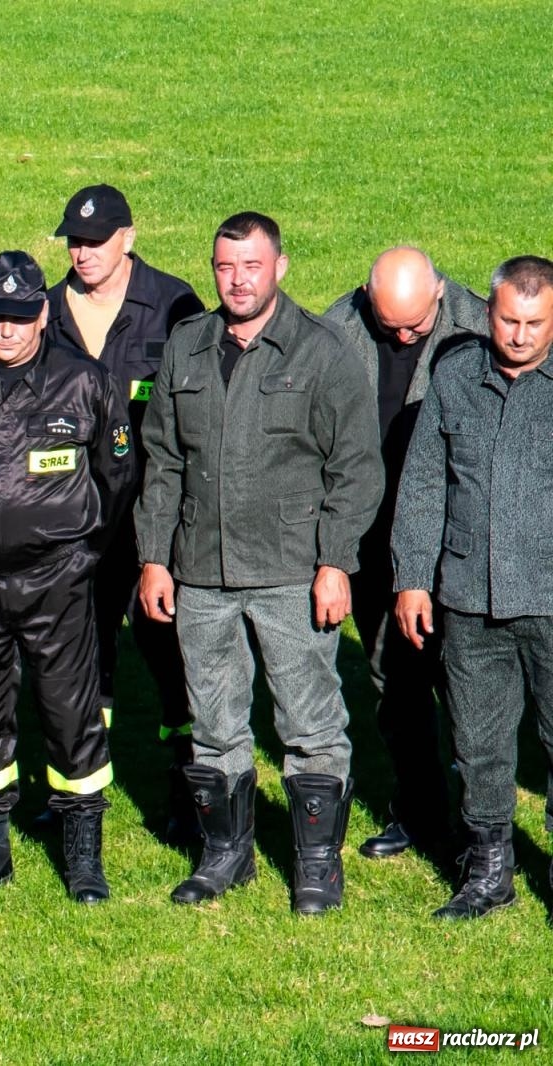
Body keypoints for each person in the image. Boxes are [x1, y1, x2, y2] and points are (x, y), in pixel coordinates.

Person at [136, 212, 382, 914]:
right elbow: (163, 462)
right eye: (224, 267)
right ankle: (225, 856)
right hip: (201, 572)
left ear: (280, 267)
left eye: (251, 266)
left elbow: (357, 468)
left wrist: (336, 561)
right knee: (213, 722)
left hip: (291, 572)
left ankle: (314, 867)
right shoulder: (186, 347)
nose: (237, 280)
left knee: (308, 725)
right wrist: (155, 558)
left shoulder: (323, 352)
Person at [0, 251, 138, 900]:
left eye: (17, 317)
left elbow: (117, 480)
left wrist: (77, 551)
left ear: (42, 313)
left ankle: (83, 855)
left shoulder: (84, 384)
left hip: (59, 578)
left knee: (71, 712)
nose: (5, 331)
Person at [391, 255, 553, 920]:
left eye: (534, 323)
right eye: (508, 320)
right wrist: (411, 580)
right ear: (487, 312)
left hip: (547, 599)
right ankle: (488, 871)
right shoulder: (454, 375)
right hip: (467, 598)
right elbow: (425, 483)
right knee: (479, 744)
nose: (518, 335)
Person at [46, 184, 206, 842]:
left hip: (152, 520)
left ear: (128, 239)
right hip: (69, 521)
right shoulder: (48, 309)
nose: (82, 253)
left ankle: (187, 792)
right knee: (81, 660)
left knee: (172, 659)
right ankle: (78, 799)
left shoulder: (174, 306)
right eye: (74, 242)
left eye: (95, 241)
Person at [323, 246, 487, 859]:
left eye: (414, 326)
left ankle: (481, 829)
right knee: (396, 685)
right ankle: (418, 812)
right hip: (372, 539)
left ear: (439, 293)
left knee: (474, 693)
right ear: (368, 297)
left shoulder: (479, 327)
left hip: (459, 542)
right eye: (387, 324)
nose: (400, 335)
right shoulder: (336, 330)